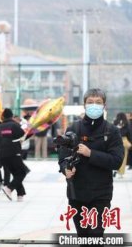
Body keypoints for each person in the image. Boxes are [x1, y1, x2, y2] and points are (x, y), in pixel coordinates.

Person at [58, 89, 123, 243]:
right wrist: (65, 168)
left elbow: (117, 161)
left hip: (101, 194)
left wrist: (91, 153)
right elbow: (63, 156)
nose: (94, 105)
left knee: (95, 237)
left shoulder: (112, 131)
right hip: (77, 192)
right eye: (90, 102)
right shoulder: (74, 128)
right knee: (83, 237)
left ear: (104, 106)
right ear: (84, 105)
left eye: (98, 102)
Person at [0, 108, 28, 202]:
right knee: (22, 172)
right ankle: (9, 188)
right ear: (11, 116)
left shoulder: (0, 126)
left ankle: (20, 194)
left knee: (16, 173)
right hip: (13, 152)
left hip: (1, 155)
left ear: (3, 116)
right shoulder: (14, 125)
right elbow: (21, 133)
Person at [113, 112, 132, 177]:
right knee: (124, 157)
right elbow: (129, 133)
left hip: (115, 141)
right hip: (124, 141)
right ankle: (121, 172)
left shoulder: (114, 123)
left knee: (115, 155)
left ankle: (115, 169)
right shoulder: (126, 123)